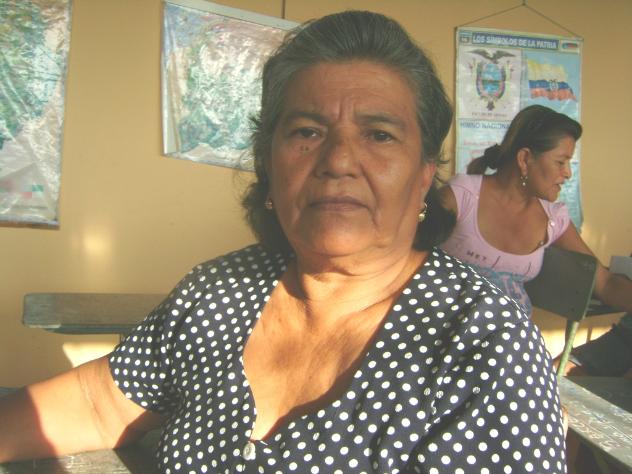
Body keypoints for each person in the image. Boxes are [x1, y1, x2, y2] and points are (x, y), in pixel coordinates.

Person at [1, 11, 566, 473]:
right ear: (269, 166)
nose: (338, 160)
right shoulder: (218, 292)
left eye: (379, 134)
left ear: (423, 176)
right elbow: (101, 402)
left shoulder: (487, 344)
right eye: (307, 131)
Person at [440, 105, 632, 317]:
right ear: (524, 159)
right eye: (560, 162)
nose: (568, 173)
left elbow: (605, 284)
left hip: (515, 333)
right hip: (448, 330)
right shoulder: (461, 196)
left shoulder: (553, 218)